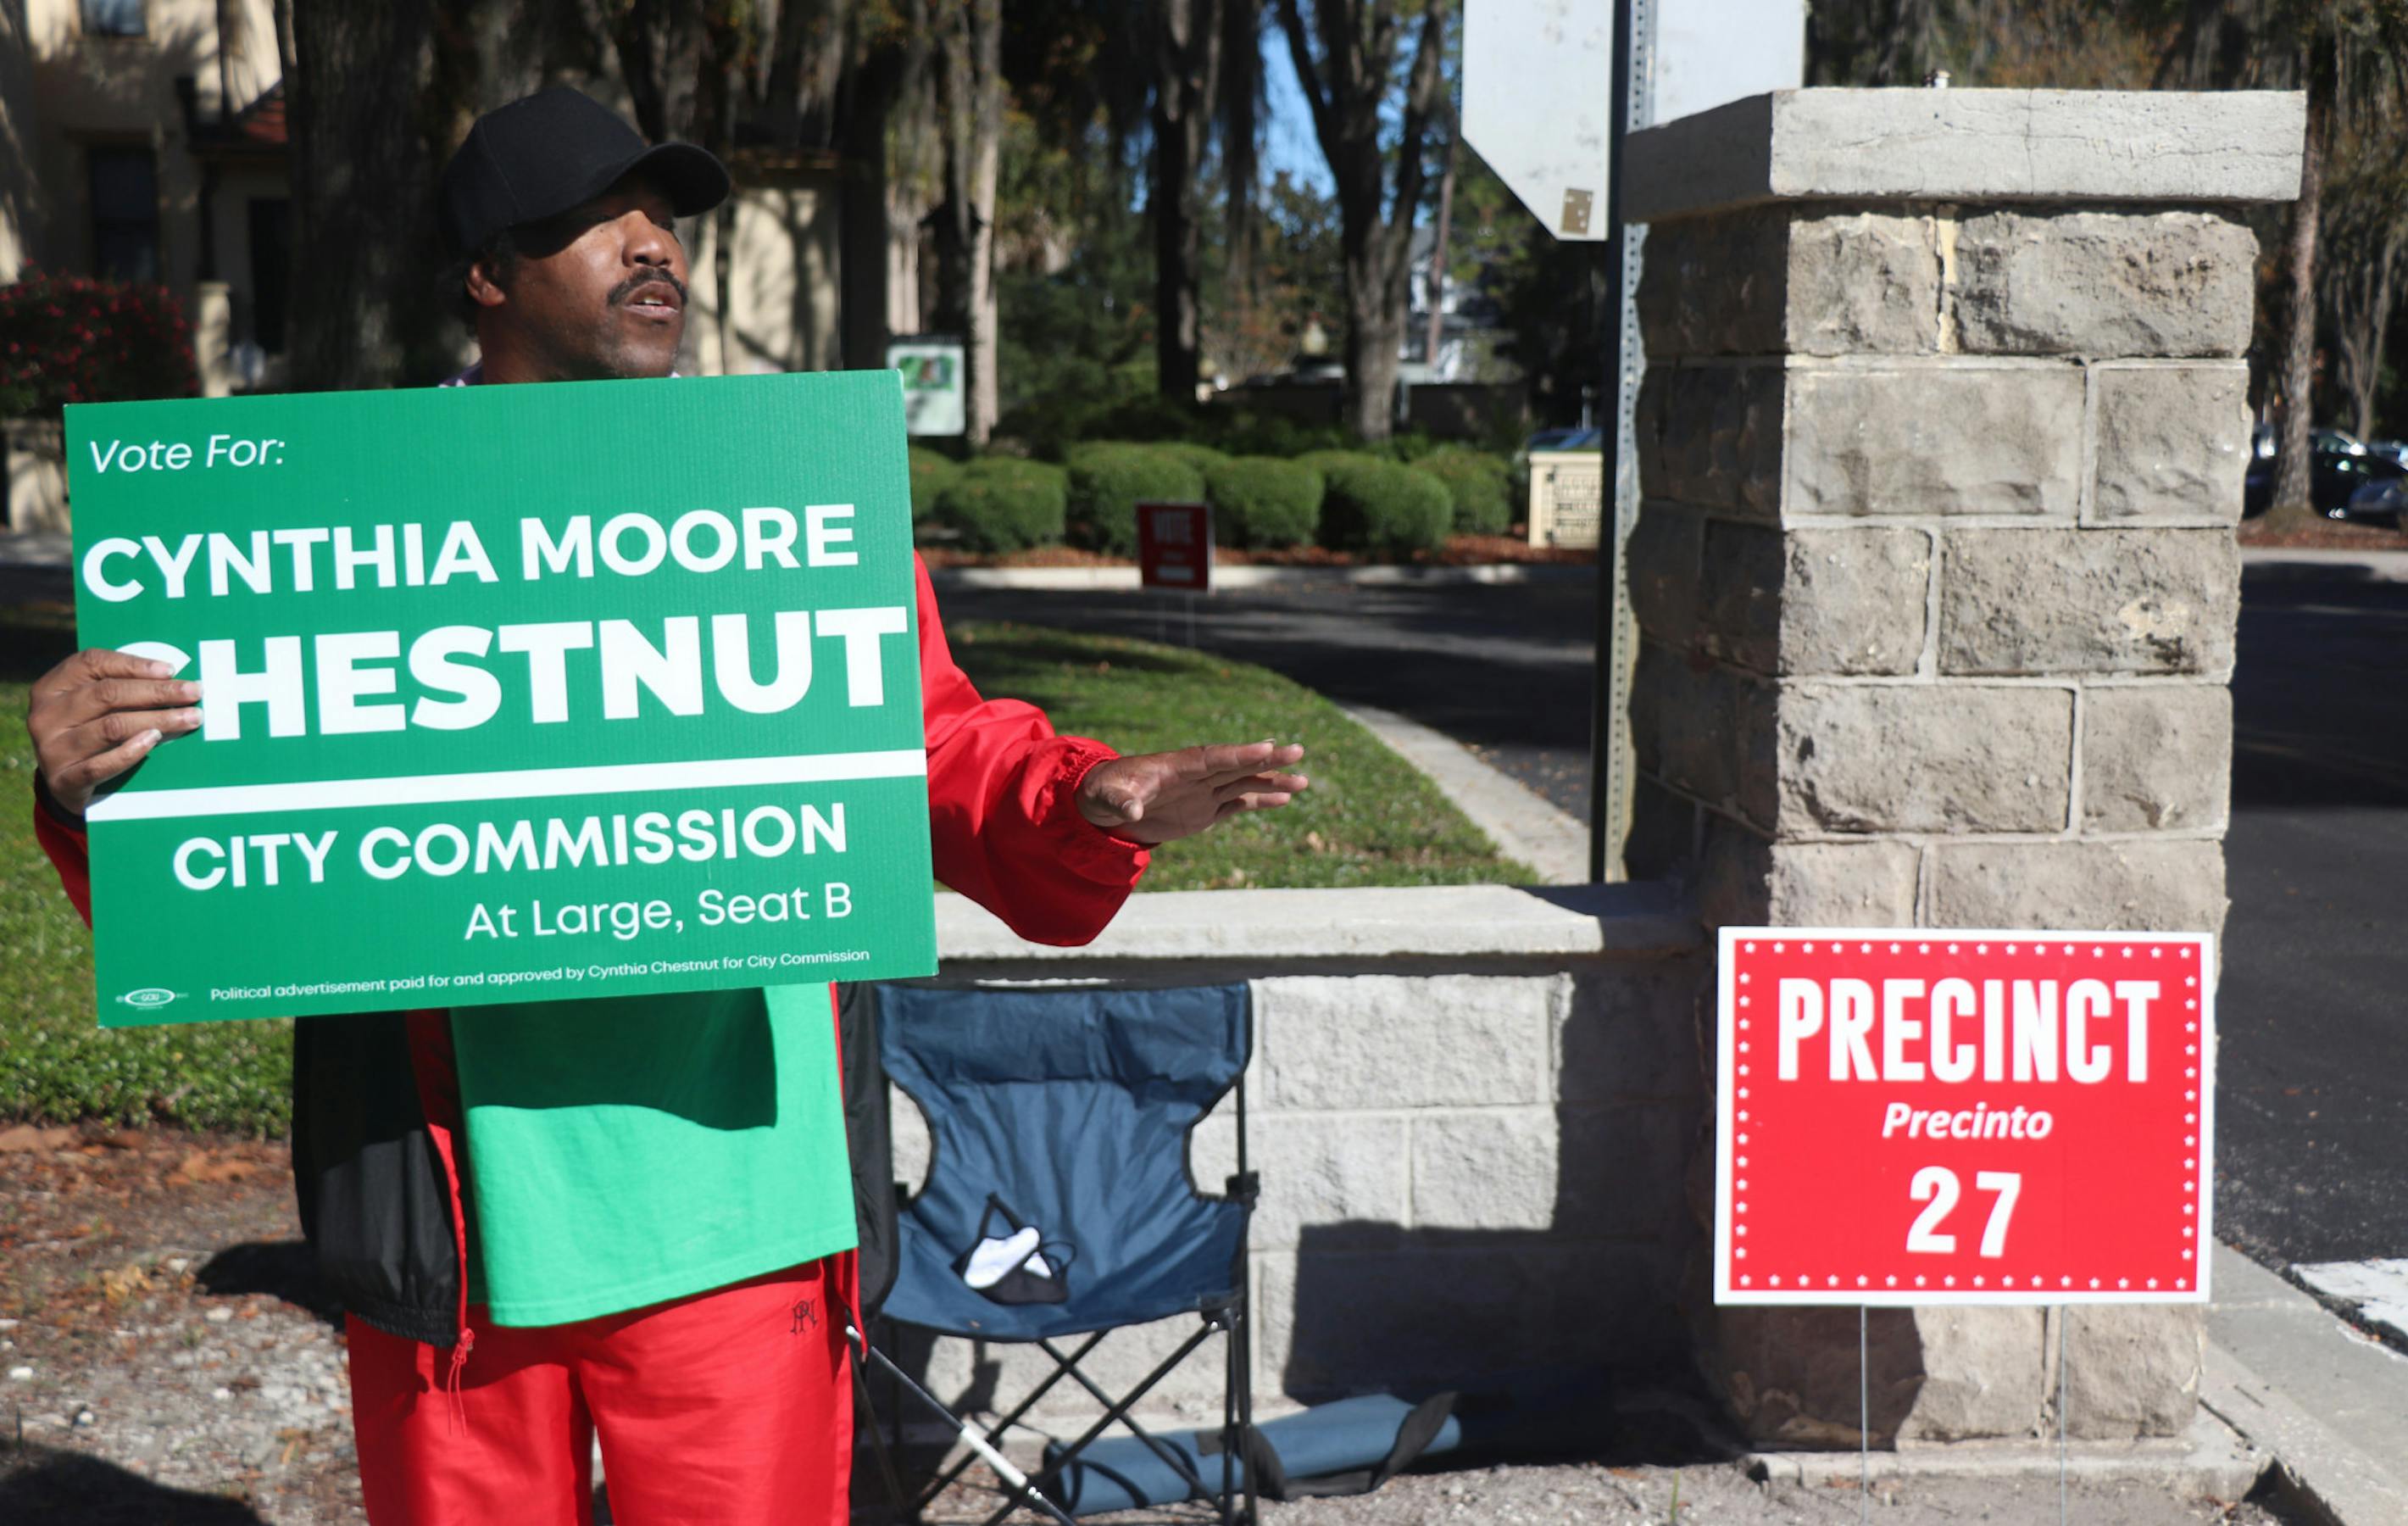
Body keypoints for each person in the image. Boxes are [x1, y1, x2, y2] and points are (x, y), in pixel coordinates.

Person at [25, 86, 1307, 1526]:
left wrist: (1087, 796)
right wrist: (87, 788)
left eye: (666, 220)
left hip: (743, 1224)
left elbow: (932, 743)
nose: (655, 248)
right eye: (599, 219)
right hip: (456, 1239)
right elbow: (218, 857)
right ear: (486, 273)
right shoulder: (328, 515)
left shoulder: (780, 492)